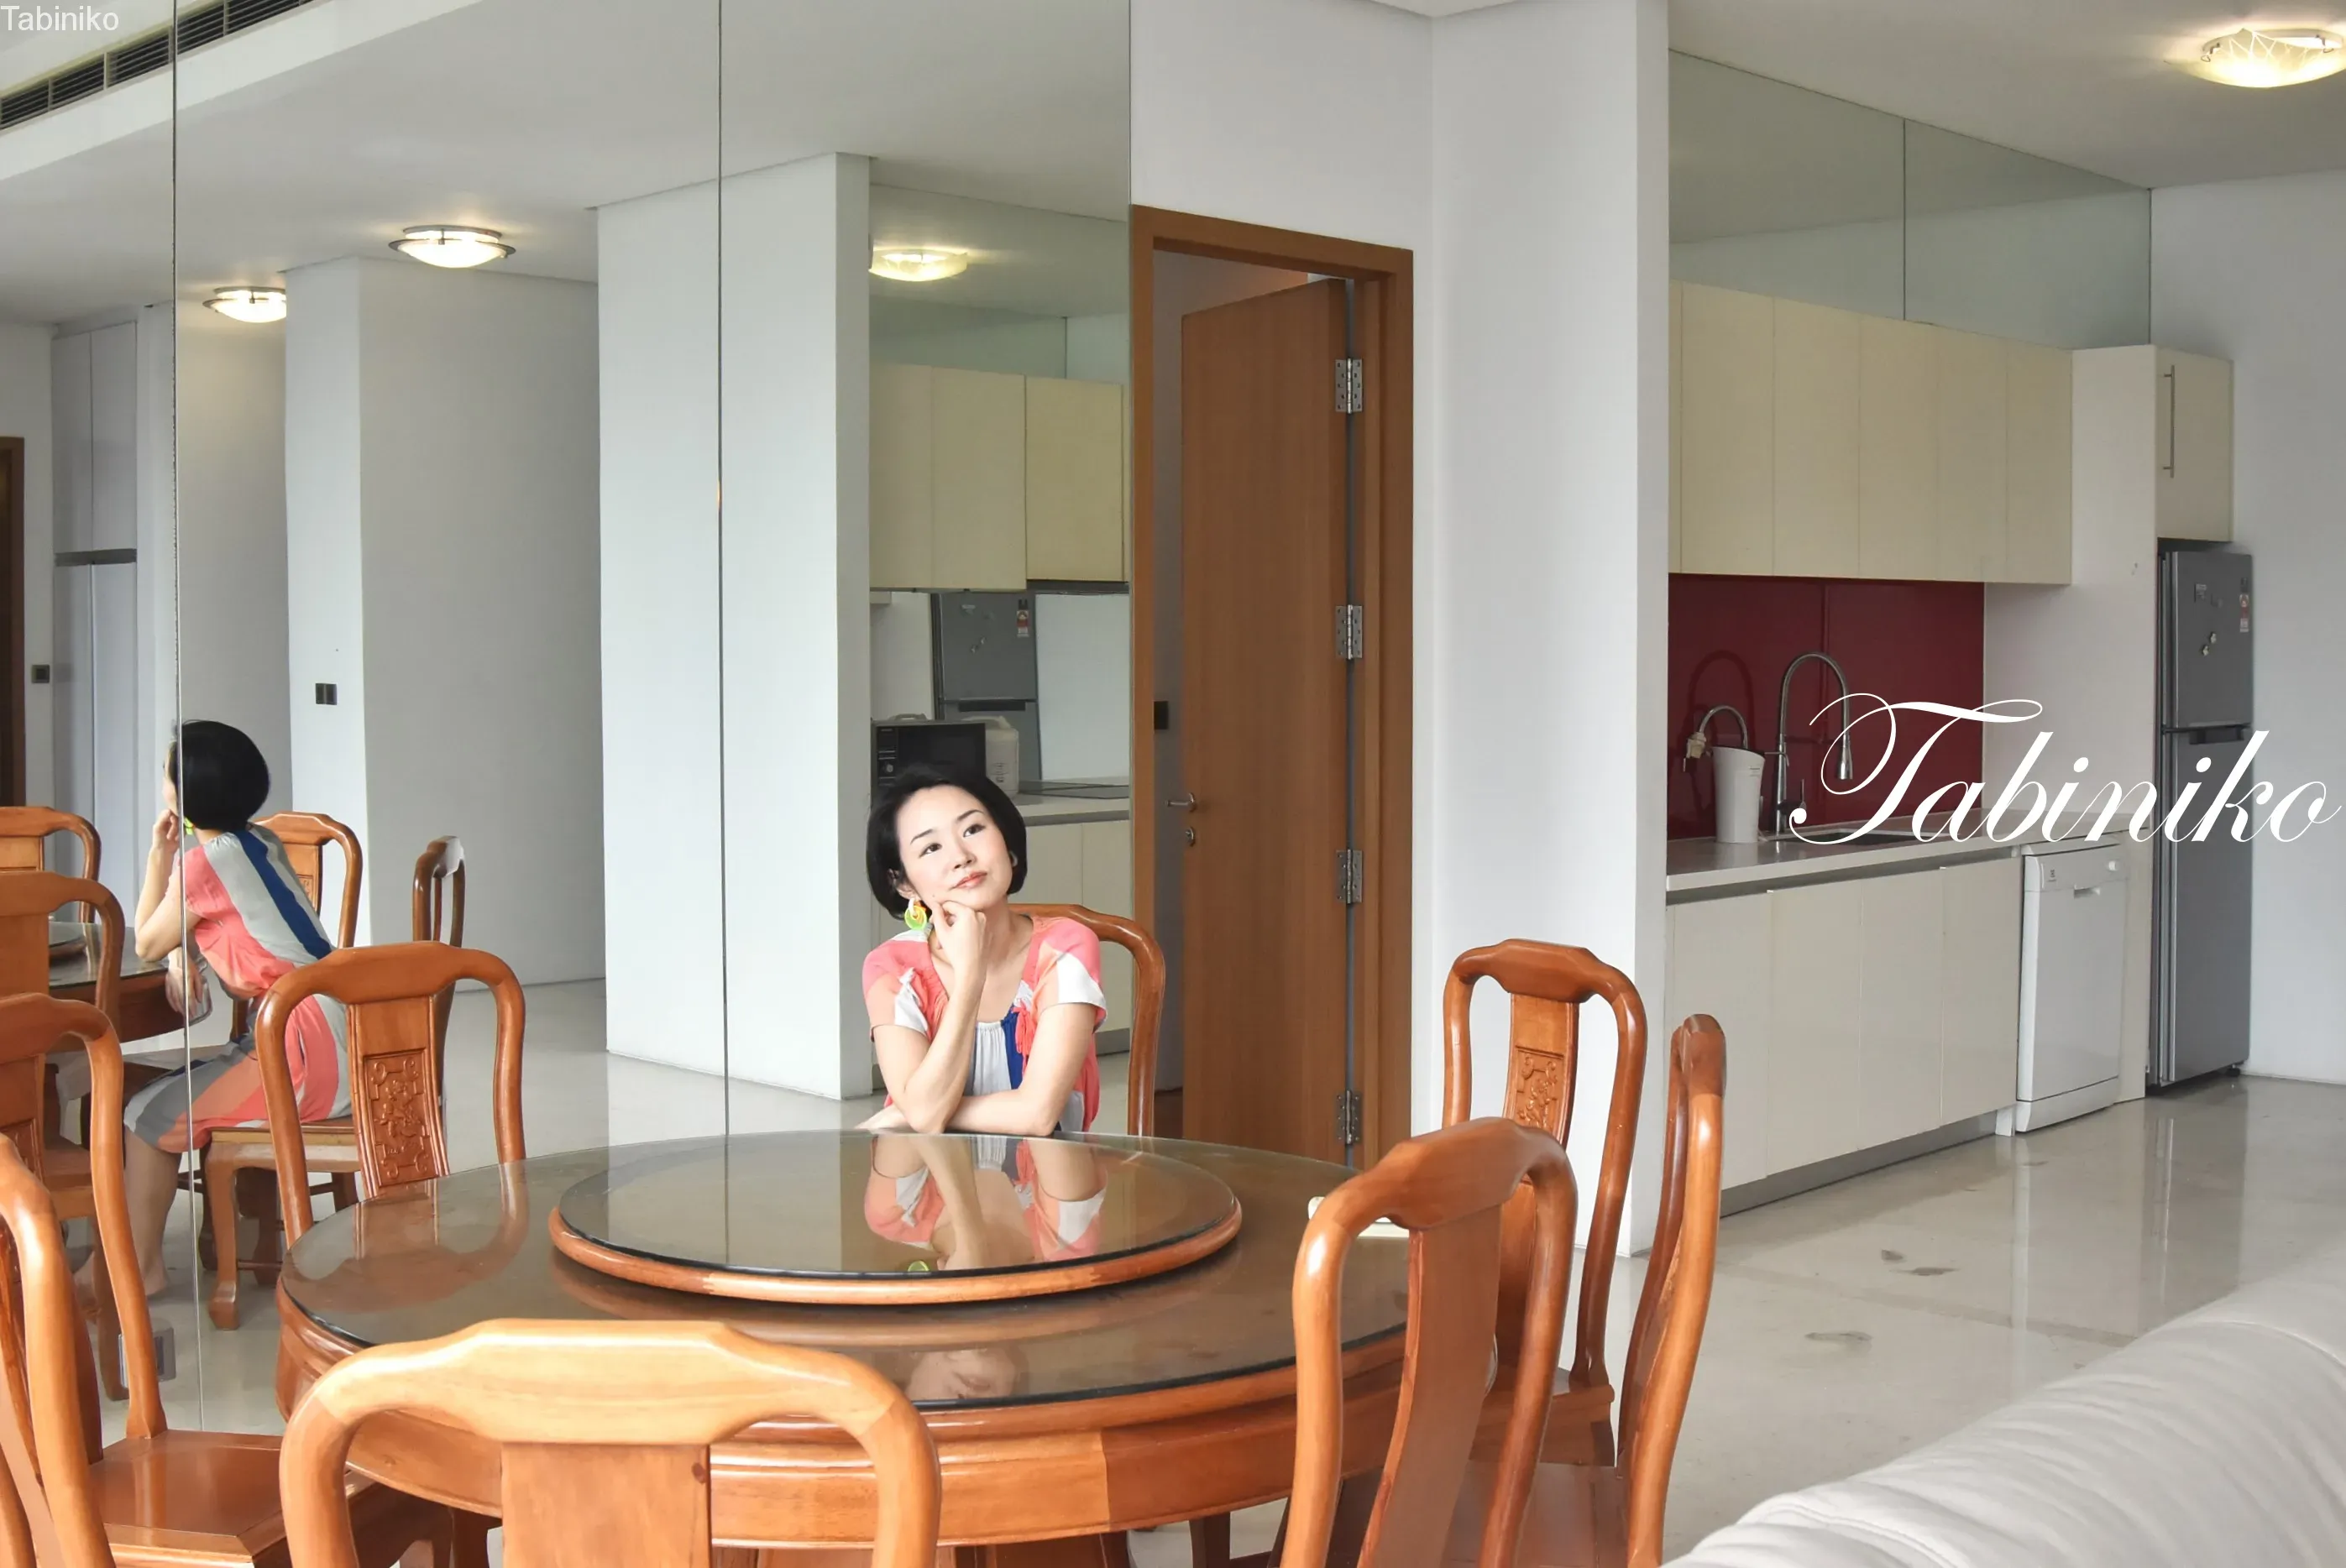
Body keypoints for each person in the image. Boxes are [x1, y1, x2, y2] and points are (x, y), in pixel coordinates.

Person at [108, 722, 347, 1297]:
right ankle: (155, 1255)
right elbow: (217, 924)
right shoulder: (260, 841)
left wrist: (160, 856)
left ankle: (139, 1271)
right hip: (343, 1027)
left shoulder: (203, 866)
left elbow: (147, 941)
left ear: (185, 793)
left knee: (145, 1114)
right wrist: (182, 951)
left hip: (301, 1045)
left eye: (168, 774)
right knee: (163, 1098)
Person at [860, 765, 1104, 1137]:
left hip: (1047, 1171)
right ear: (904, 884)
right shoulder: (892, 968)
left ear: (1006, 840)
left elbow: (1037, 1116)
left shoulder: (1065, 947)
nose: (961, 856)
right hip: (926, 1171)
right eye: (931, 848)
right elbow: (925, 1116)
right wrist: (970, 977)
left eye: (973, 829)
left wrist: (908, 1114)